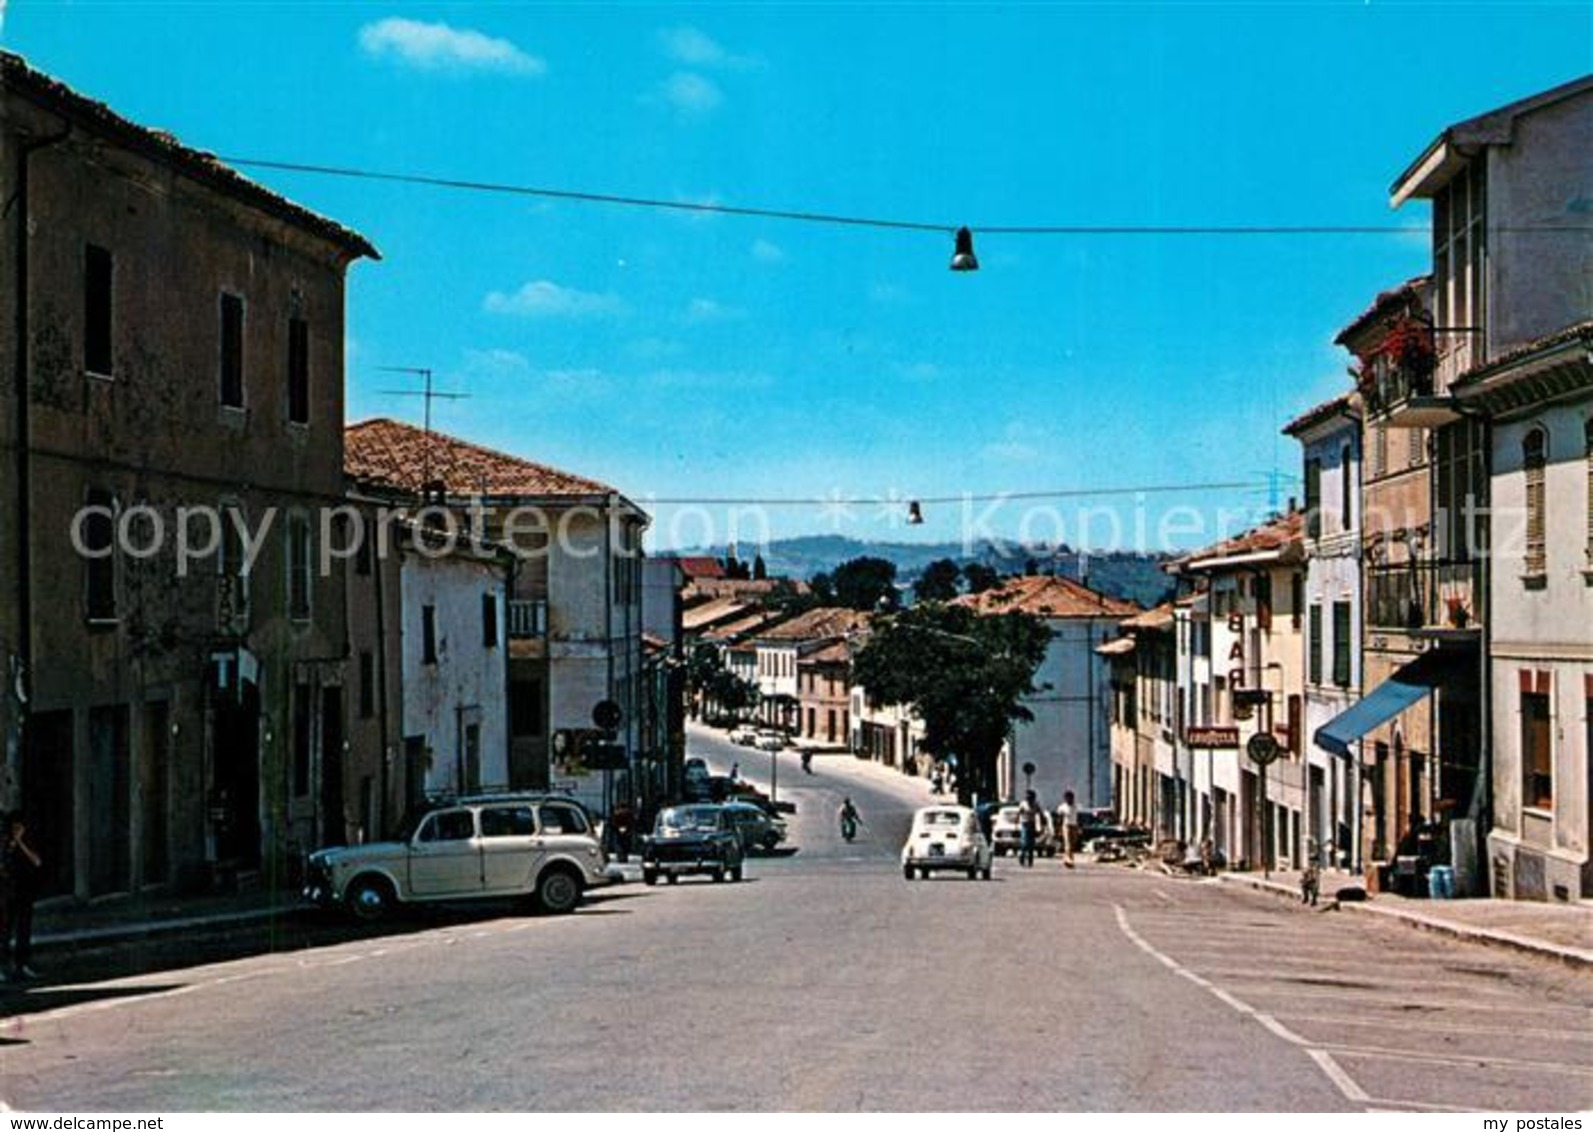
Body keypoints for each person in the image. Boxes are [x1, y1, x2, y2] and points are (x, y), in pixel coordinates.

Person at [2, 811, 42, 981]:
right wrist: (12, 844)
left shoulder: (29, 842)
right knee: (5, 930)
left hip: (25, 889)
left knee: (23, 929)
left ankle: (22, 965)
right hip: (6, 891)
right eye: (15, 827)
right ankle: (4, 965)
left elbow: (37, 861)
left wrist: (20, 843)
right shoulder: (4, 843)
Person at [1016, 789, 1042, 868]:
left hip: (1032, 824)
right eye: (1028, 797)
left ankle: (1030, 861)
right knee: (1024, 843)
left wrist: (1042, 822)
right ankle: (1022, 857)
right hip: (1025, 824)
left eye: (1031, 797)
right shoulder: (1023, 804)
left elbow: (1040, 813)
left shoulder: (1035, 804)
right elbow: (1019, 813)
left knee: (1031, 844)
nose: (1029, 799)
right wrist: (1016, 823)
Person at [1057, 790, 1080, 869]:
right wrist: (1059, 828)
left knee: (1073, 843)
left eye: (1071, 798)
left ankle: (1067, 859)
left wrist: (1079, 827)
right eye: (1068, 798)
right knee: (1068, 843)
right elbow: (1060, 818)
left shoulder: (1076, 806)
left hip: (1074, 825)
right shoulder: (1062, 807)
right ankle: (1069, 860)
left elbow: (1078, 817)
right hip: (1066, 826)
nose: (1070, 799)